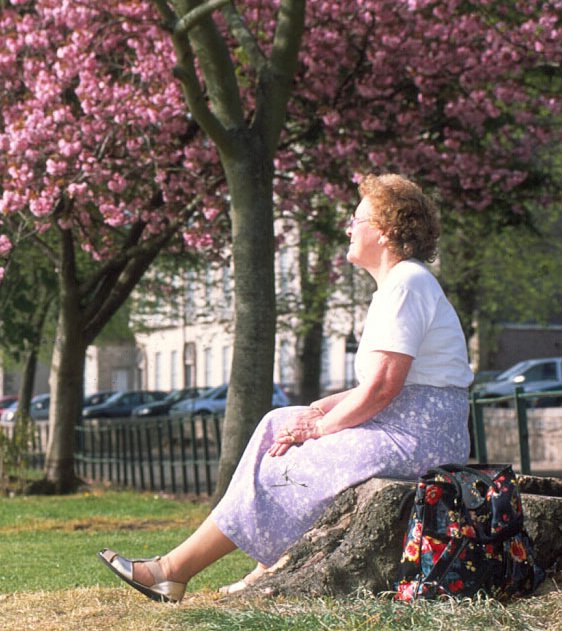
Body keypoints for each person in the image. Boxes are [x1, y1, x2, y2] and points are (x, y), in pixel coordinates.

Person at [99, 174, 475, 603]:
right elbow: (384, 386)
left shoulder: (408, 282)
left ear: (386, 232)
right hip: (406, 427)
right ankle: (260, 567)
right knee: (278, 420)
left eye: (357, 220)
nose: (348, 229)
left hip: (418, 439)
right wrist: (316, 410)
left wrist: (320, 429)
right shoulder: (399, 286)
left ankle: (172, 571)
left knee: (290, 463)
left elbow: (382, 389)